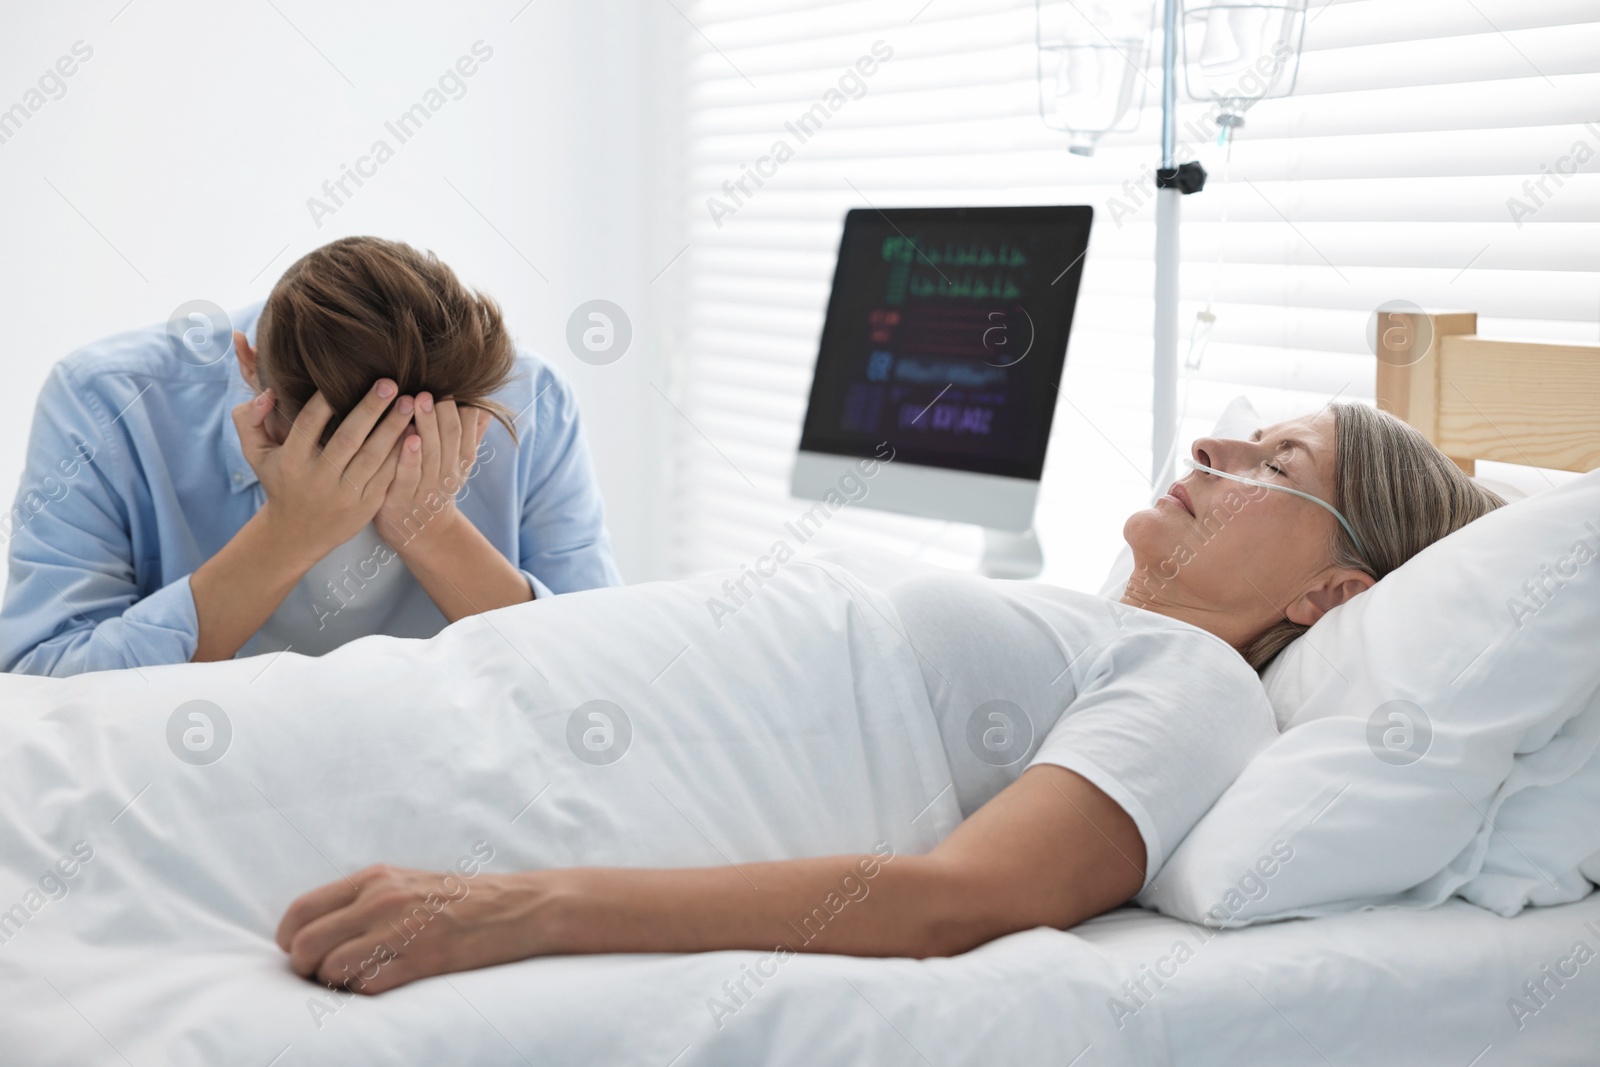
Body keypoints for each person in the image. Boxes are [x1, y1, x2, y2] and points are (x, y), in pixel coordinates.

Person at [272, 401, 1504, 994]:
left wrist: (508, 908)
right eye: (1232, 437)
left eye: (1272, 464)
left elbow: (950, 902)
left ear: (1333, 596)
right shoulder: (1095, 627)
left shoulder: (1195, 688)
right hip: (469, 700)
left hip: (481, 788)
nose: (1210, 456)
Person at [0, 236, 621, 676]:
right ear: (248, 369)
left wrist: (430, 527)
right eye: (345, 457)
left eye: (414, 448)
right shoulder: (105, 400)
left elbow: (598, 676)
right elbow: (43, 677)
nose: (373, 477)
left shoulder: (525, 401)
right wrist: (288, 534)